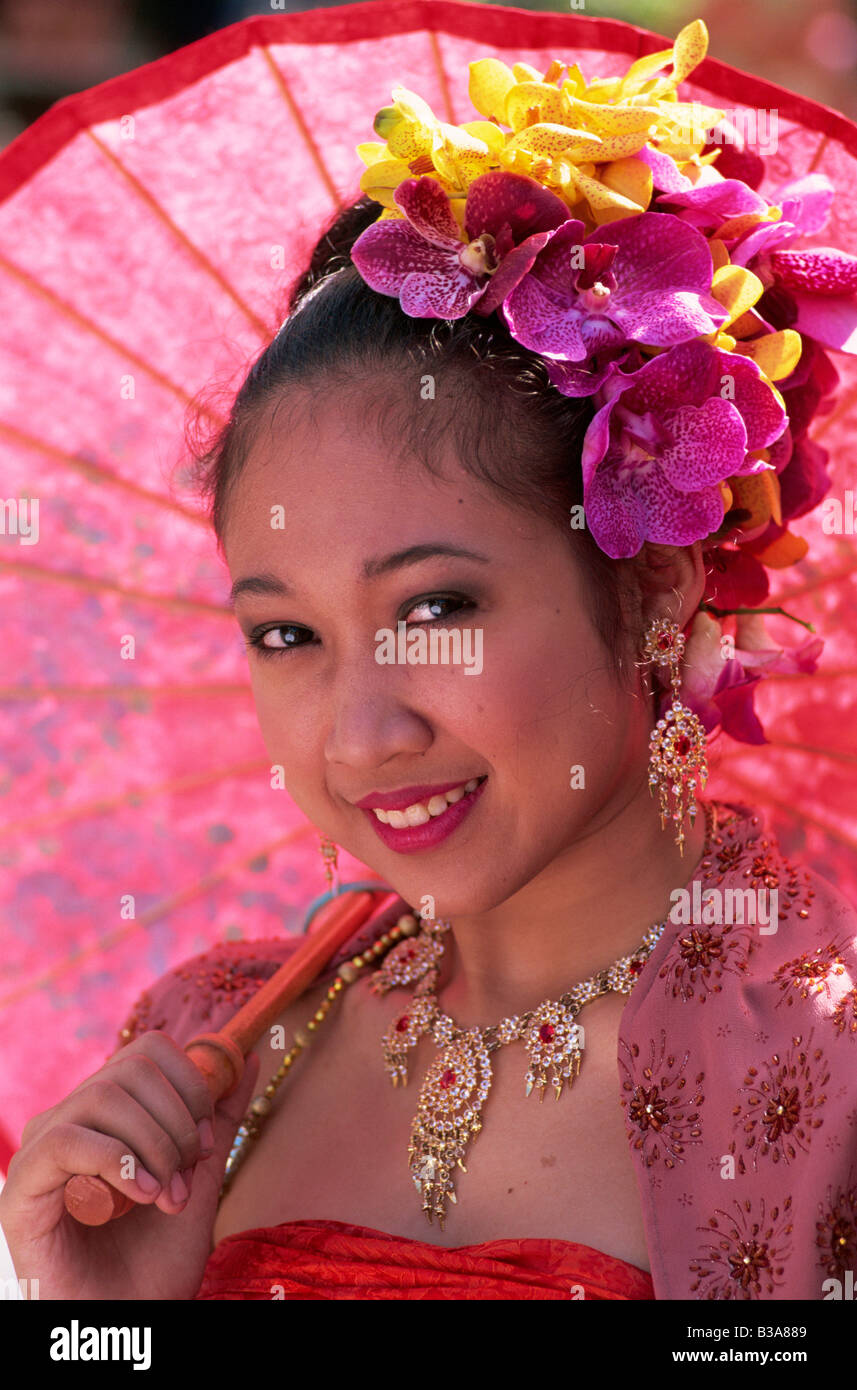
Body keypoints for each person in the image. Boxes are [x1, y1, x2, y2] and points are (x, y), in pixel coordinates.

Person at [2, 23, 856, 1301]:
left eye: (436, 605)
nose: (356, 739)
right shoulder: (215, 1053)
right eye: (285, 634)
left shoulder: (815, 1061)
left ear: (650, 594)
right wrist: (100, 1325)